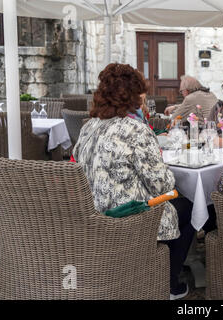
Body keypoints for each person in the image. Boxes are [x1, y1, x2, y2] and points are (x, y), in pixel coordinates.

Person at [73, 63, 194, 300]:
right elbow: (162, 185)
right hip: (130, 217)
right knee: (189, 207)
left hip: (93, 213)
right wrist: (167, 169)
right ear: (133, 94)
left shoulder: (89, 126)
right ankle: (167, 283)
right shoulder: (135, 129)